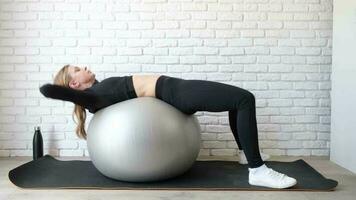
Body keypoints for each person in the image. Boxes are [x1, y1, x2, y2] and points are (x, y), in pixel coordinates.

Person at [50, 64, 297, 189]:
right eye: (77, 69)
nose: (84, 68)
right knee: (244, 99)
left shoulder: (99, 89)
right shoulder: (93, 97)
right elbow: (79, 100)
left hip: (174, 87)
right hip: (174, 92)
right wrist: (55, 91)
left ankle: (247, 155)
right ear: (73, 85)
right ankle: (257, 170)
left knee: (236, 100)